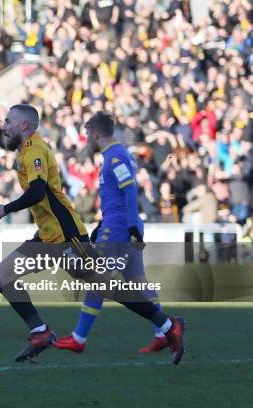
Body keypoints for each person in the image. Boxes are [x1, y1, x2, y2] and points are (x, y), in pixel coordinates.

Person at [0, 105, 185, 364]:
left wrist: (5, 208)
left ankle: (168, 325)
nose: (4, 126)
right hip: (47, 237)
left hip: (67, 236)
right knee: (1, 276)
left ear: (24, 126)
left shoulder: (35, 150)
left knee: (107, 287)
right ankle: (40, 332)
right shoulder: (26, 151)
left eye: (9, 121)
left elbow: (37, 192)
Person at [54, 112, 168, 354]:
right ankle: (165, 331)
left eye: (87, 134)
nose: (86, 139)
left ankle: (79, 337)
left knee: (96, 277)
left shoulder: (116, 157)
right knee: (137, 281)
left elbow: (128, 192)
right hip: (119, 223)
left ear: (96, 133)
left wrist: (131, 225)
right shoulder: (114, 156)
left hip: (119, 226)